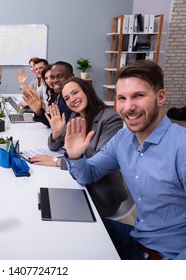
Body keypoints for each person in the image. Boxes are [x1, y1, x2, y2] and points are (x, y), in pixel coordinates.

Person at [64, 60, 186, 260]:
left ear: (160, 97)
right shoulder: (123, 139)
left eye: (138, 96)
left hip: (166, 255)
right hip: (137, 239)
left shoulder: (181, 148)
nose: (128, 107)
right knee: (67, 229)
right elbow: (88, 175)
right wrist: (76, 156)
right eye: (121, 98)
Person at [30, 77, 127, 217]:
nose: (72, 99)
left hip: (100, 195)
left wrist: (56, 162)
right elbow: (54, 146)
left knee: (47, 211)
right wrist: (56, 132)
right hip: (79, 183)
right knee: (41, 200)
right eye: (67, 98)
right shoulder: (76, 116)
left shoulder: (110, 119)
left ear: (87, 91)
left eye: (75, 93)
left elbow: (96, 162)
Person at [22, 61, 73, 127]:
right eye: (52, 77)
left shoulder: (71, 98)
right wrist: (39, 112)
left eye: (60, 76)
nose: (54, 80)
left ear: (72, 76)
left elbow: (63, 128)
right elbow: (54, 124)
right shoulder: (59, 97)